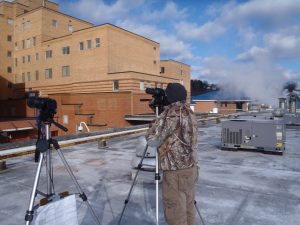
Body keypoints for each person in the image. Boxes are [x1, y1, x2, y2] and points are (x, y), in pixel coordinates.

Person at [146, 83, 198, 225]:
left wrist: (154, 123)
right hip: (191, 168)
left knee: (175, 212)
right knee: (188, 208)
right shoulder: (189, 111)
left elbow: (153, 141)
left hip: (175, 171)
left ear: (170, 96)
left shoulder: (171, 114)